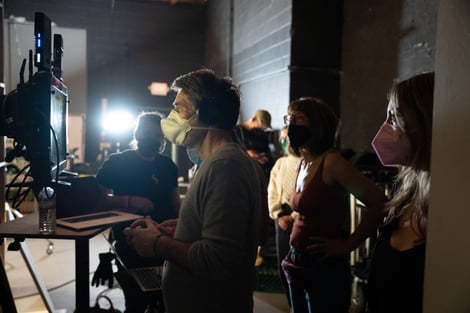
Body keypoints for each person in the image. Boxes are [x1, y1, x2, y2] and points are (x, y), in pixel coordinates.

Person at [123, 69, 267, 313]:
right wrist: (176, 228)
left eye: (179, 108)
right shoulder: (220, 162)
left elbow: (217, 258)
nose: (171, 117)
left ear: (205, 114)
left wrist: (157, 243)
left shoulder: (226, 166)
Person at [280, 97, 387, 313]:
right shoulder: (303, 163)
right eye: (288, 119)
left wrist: (347, 246)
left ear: (317, 125)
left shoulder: (333, 163)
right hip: (296, 261)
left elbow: (378, 203)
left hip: (322, 266)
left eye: (297, 119)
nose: (290, 125)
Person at [95, 111, 181, 313]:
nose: (151, 138)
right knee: (136, 301)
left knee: (165, 300)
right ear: (136, 133)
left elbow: (175, 201)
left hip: (164, 241)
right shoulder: (116, 162)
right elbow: (98, 200)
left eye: (156, 134)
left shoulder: (168, 165)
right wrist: (130, 200)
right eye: (146, 132)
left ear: (163, 139)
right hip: (129, 242)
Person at [366, 72, 434, 313]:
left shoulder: (452, 210)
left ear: (423, 122)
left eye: (393, 118)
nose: (384, 129)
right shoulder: (406, 194)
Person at [267, 126, 301, 308]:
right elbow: (272, 191)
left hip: (300, 218)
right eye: (281, 138)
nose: (283, 141)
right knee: (283, 265)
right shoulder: (280, 163)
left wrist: (293, 217)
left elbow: (308, 194)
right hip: (281, 218)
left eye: (285, 138)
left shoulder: (307, 162)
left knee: (299, 265)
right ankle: (291, 304)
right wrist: (279, 214)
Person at [233, 109, 275, 178]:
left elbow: (267, 150)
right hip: (246, 173)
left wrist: (263, 157)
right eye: (259, 126)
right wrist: (246, 153)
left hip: (263, 173)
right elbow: (232, 151)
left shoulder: (260, 133)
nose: (260, 129)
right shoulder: (236, 132)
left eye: (263, 128)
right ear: (254, 118)